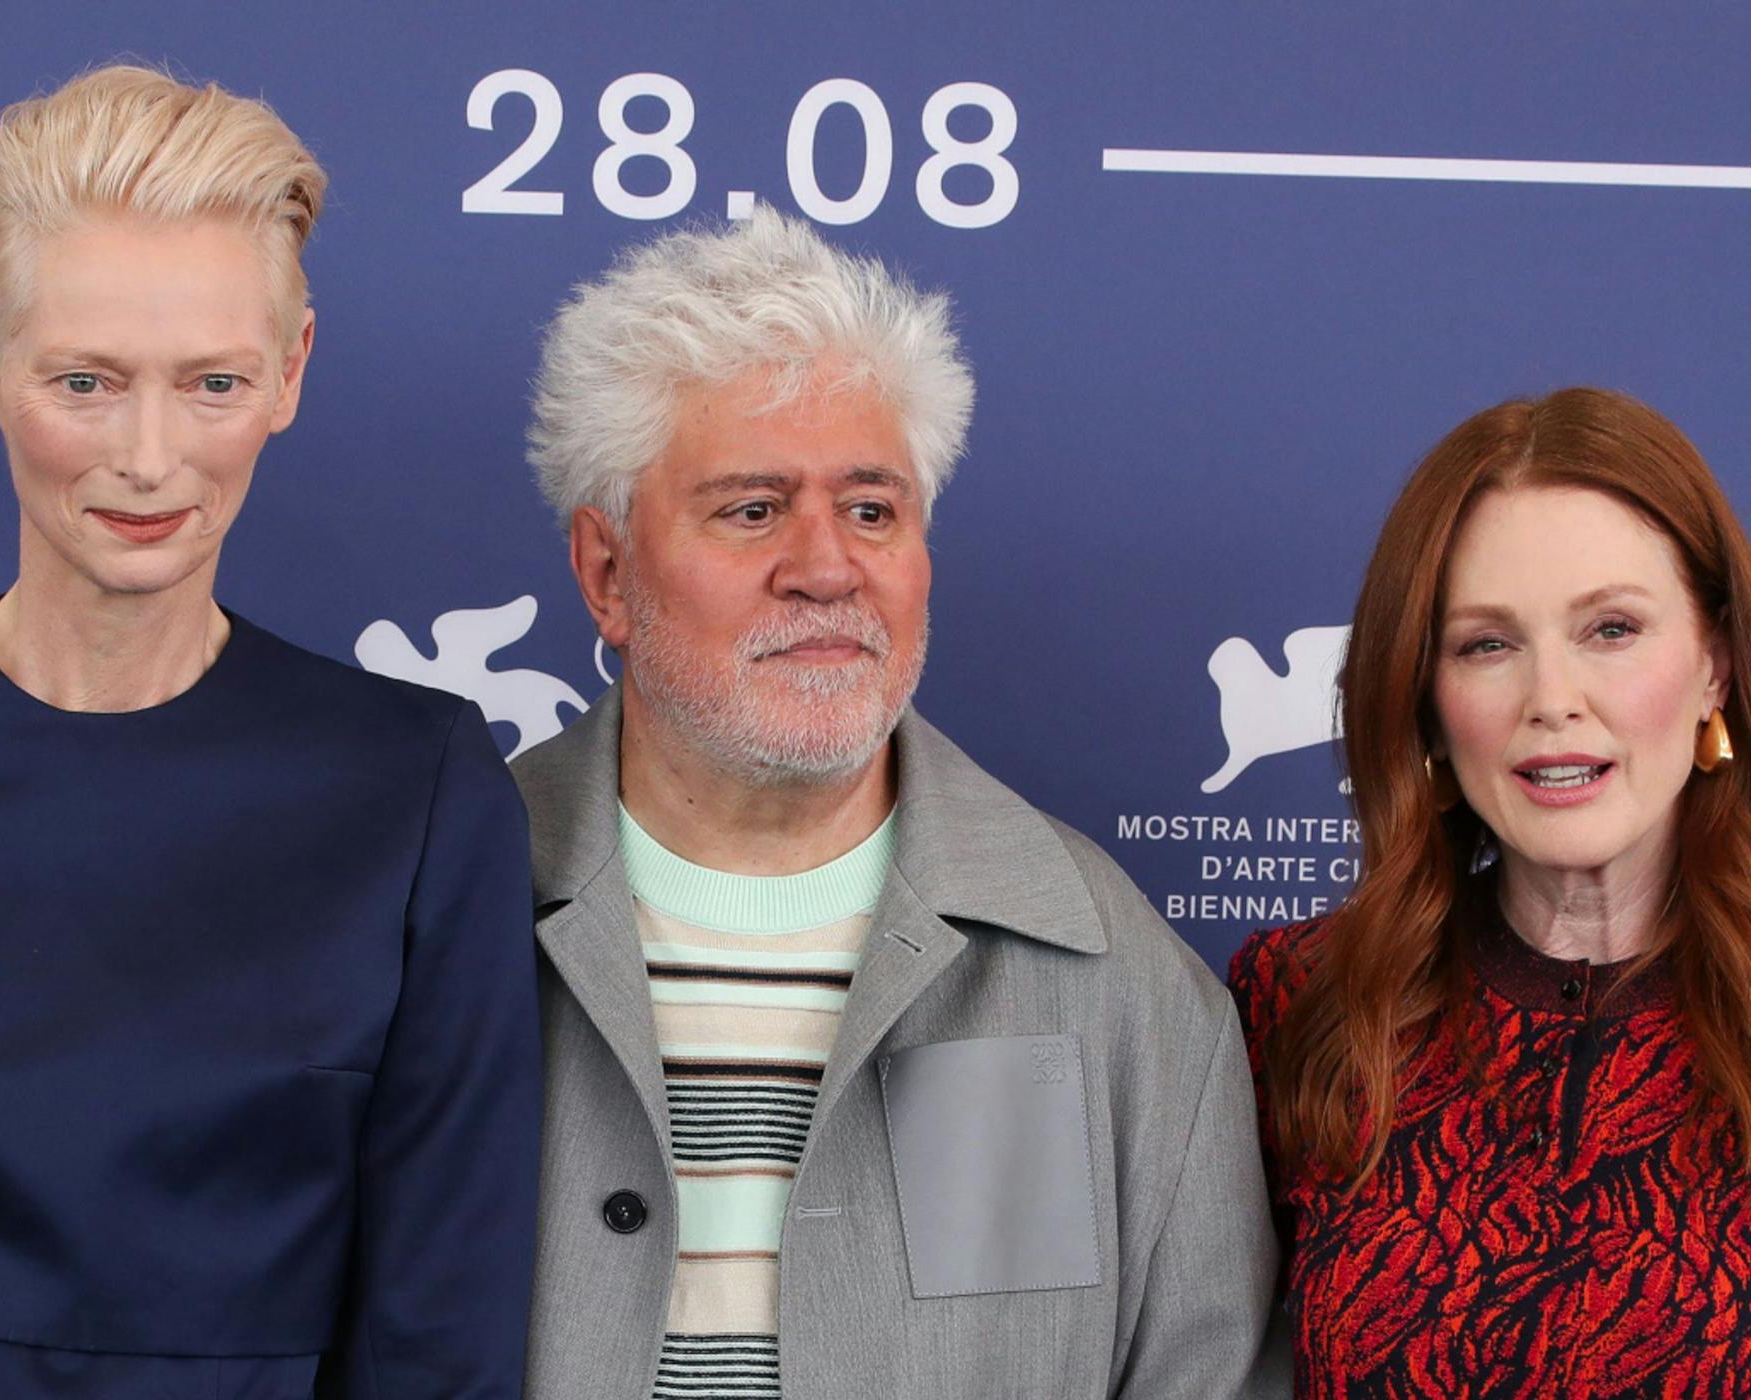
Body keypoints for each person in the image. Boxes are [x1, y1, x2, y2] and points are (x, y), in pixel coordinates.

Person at [0, 65, 540, 1399]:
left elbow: (439, 1337)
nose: (149, 457)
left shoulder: (417, 794)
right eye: (85, 382)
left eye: (212, 383)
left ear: (291, 372)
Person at [513, 207, 1284, 1398]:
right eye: (751, 508)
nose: (826, 568)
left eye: (870, 508)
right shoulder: (434, 912)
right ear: (606, 572)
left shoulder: (1108, 972)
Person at [1230, 387, 1751, 1397]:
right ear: (1423, 696)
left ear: (1712, 668)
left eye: (1609, 627)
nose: (1550, 698)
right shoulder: (1296, 1005)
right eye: (1486, 643)